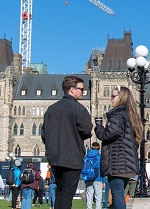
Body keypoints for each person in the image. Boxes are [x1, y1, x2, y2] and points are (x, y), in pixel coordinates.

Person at [43, 75, 93, 209]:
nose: (83, 92)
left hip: (54, 157)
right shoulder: (79, 109)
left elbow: (44, 134)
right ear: (72, 90)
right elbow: (87, 130)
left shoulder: (51, 109)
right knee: (66, 194)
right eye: (81, 89)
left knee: (59, 192)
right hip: (72, 158)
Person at [95, 86, 142, 209]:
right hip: (127, 163)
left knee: (117, 193)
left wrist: (99, 128)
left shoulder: (117, 114)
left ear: (121, 97)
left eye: (113, 96)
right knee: (119, 193)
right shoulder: (130, 115)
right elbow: (135, 141)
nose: (110, 99)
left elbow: (108, 134)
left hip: (117, 162)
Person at [83, 142, 105, 209]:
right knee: (98, 196)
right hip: (98, 178)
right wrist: (103, 180)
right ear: (99, 148)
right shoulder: (99, 157)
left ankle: (89, 208)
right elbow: (102, 169)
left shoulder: (86, 157)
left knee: (89, 195)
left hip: (88, 178)